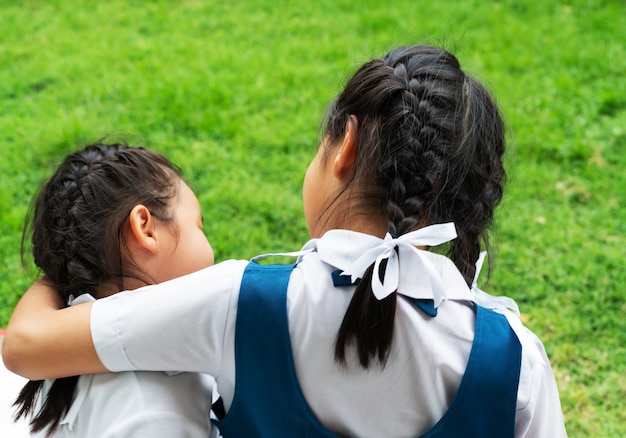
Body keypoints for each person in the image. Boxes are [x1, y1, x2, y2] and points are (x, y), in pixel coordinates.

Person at [3, 46, 567, 437]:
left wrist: (71, 254)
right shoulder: (515, 359)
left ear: (343, 146)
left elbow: (26, 347)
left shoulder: (235, 302)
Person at [10, 143, 217, 437]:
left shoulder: (61, 338)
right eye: (199, 226)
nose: (210, 245)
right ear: (145, 228)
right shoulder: (152, 414)